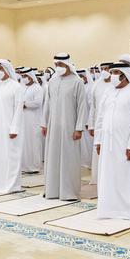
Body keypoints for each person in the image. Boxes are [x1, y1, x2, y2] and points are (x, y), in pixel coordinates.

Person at [95, 64, 130, 219]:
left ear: (125, 74)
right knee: (108, 175)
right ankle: (109, 209)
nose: (113, 75)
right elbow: (101, 117)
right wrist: (98, 140)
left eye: (116, 72)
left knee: (126, 175)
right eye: (112, 72)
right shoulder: (108, 92)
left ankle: (128, 210)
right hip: (107, 142)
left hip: (125, 143)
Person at [41, 53, 87, 201]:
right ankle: (52, 190)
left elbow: (82, 106)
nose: (58, 68)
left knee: (69, 159)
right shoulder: (52, 82)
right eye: (56, 65)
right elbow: (47, 105)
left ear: (67, 65)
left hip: (70, 127)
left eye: (60, 65)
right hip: (53, 127)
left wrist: (79, 128)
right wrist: (44, 123)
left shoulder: (77, 81)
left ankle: (69, 192)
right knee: (52, 158)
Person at [0, 59, 24, 194]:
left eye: (0, 68)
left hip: (10, 128)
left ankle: (12, 185)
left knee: (10, 156)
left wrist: (14, 128)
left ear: (7, 69)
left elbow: (18, 109)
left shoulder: (16, 87)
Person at [87, 63, 115, 184]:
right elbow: (92, 106)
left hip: (113, 124)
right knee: (98, 151)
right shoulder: (97, 84)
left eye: (106, 69)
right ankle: (98, 178)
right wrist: (91, 124)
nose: (104, 71)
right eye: (102, 69)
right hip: (99, 124)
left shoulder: (116, 85)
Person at [20, 67, 44, 173]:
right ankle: (24, 166)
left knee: (33, 143)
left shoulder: (37, 88)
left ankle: (34, 166)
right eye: (23, 76)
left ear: (31, 76)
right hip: (23, 119)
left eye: (26, 76)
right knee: (24, 143)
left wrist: (25, 104)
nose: (24, 78)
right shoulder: (22, 87)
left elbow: (38, 102)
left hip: (33, 120)